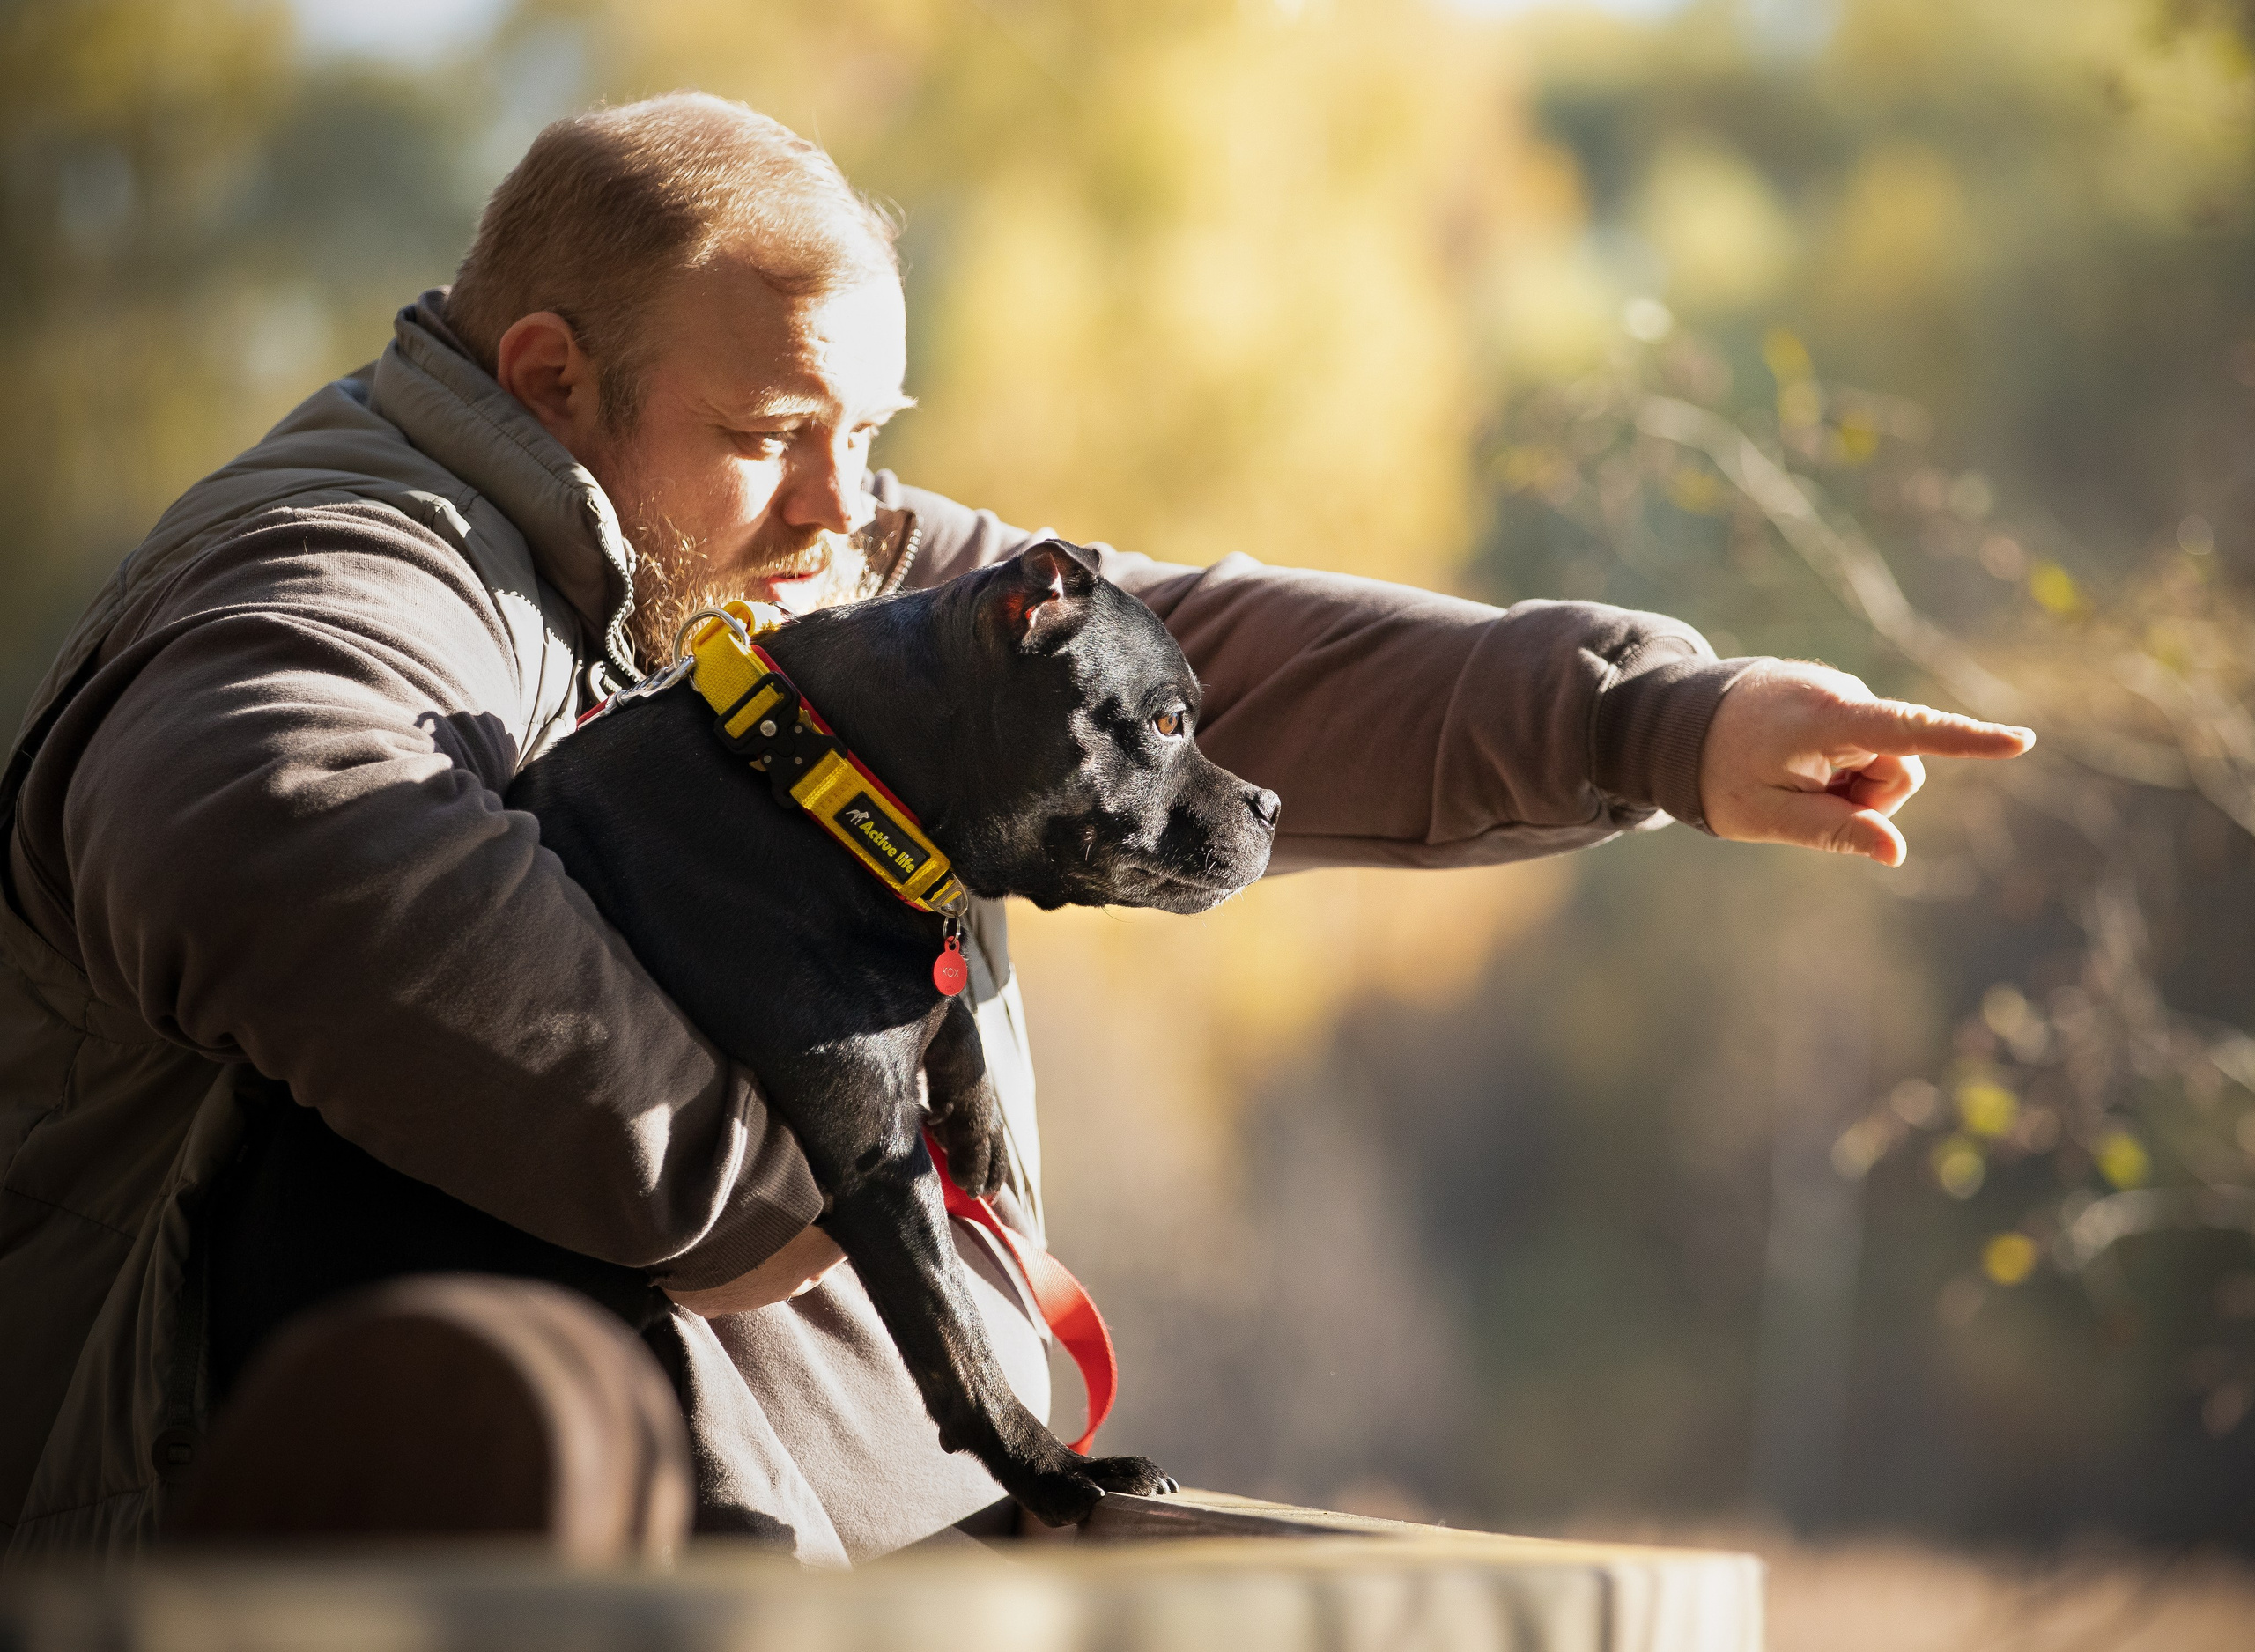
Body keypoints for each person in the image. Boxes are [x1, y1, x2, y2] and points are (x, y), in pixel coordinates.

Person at [0, 92, 2031, 1568]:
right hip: (262, 1529)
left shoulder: (750, 553)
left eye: (866, 433)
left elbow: (1193, 669)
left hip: (839, 1511)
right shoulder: (350, 562)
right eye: (779, 431)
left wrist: (1657, 724)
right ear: (552, 379)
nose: (841, 505)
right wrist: (795, 1187)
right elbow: (255, 819)